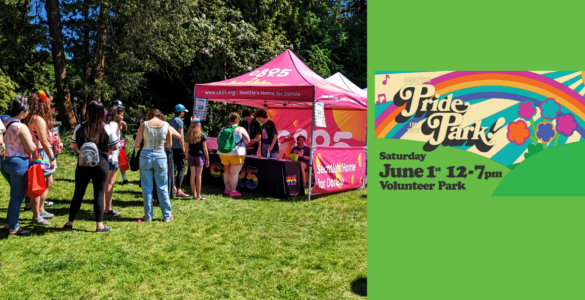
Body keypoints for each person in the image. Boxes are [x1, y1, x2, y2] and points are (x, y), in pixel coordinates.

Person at [64, 101, 118, 232]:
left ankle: (69, 222)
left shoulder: (80, 127)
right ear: (102, 113)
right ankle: (99, 225)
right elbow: (115, 146)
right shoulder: (107, 128)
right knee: (99, 193)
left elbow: (73, 145)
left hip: (83, 164)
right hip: (101, 163)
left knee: (78, 193)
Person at [1, 98, 36, 235]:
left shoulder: (4, 122)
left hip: (4, 161)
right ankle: (14, 227)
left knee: (14, 194)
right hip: (19, 162)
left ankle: (8, 223)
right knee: (17, 196)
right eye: (26, 111)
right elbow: (30, 147)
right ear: (22, 112)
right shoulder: (21, 127)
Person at [22, 90, 57, 225]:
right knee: (37, 185)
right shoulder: (38, 119)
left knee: (48, 182)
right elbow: (43, 141)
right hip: (40, 154)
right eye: (49, 101)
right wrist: (52, 158)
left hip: (39, 153)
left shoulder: (31, 117)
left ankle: (41, 209)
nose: (50, 104)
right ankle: (36, 215)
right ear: (43, 102)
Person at [134, 109, 173, 222]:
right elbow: (169, 144)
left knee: (147, 187)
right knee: (162, 186)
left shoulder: (144, 125)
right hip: (160, 154)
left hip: (145, 155)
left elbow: (136, 144)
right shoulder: (166, 125)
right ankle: (167, 215)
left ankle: (148, 215)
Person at [218, 112, 250, 197]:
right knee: (234, 173)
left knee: (227, 171)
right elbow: (247, 141)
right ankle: (233, 191)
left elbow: (218, 139)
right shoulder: (241, 129)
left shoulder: (223, 128)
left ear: (229, 120)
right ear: (238, 120)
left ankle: (227, 189)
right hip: (237, 153)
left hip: (223, 153)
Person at [103, 107, 124, 216]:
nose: (123, 117)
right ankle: (107, 208)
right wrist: (108, 153)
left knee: (107, 183)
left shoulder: (109, 124)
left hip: (110, 157)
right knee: (109, 183)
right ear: (116, 115)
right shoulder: (113, 125)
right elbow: (113, 143)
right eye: (121, 115)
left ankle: (104, 207)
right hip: (111, 157)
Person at [186, 117, 209, 200]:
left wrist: (186, 157)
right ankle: (199, 195)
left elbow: (187, 148)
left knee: (192, 175)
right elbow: (205, 148)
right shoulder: (202, 135)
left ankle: (194, 195)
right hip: (199, 156)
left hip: (191, 156)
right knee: (199, 175)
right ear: (199, 125)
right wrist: (207, 158)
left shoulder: (189, 135)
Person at [169, 104, 189, 198]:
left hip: (171, 147)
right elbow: (180, 136)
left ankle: (173, 187)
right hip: (179, 148)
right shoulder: (180, 121)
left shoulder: (171, 120)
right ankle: (179, 189)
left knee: (174, 168)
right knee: (182, 168)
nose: (184, 113)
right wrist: (183, 149)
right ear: (181, 112)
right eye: (184, 111)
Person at [111, 100, 130, 185]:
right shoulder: (109, 119)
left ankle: (124, 179)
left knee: (122, 160)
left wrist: (124, 126)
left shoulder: (120, 118)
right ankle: (111, 180)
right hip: (112, 143)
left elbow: (123, 129)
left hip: (120, 141)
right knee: (113, 161)